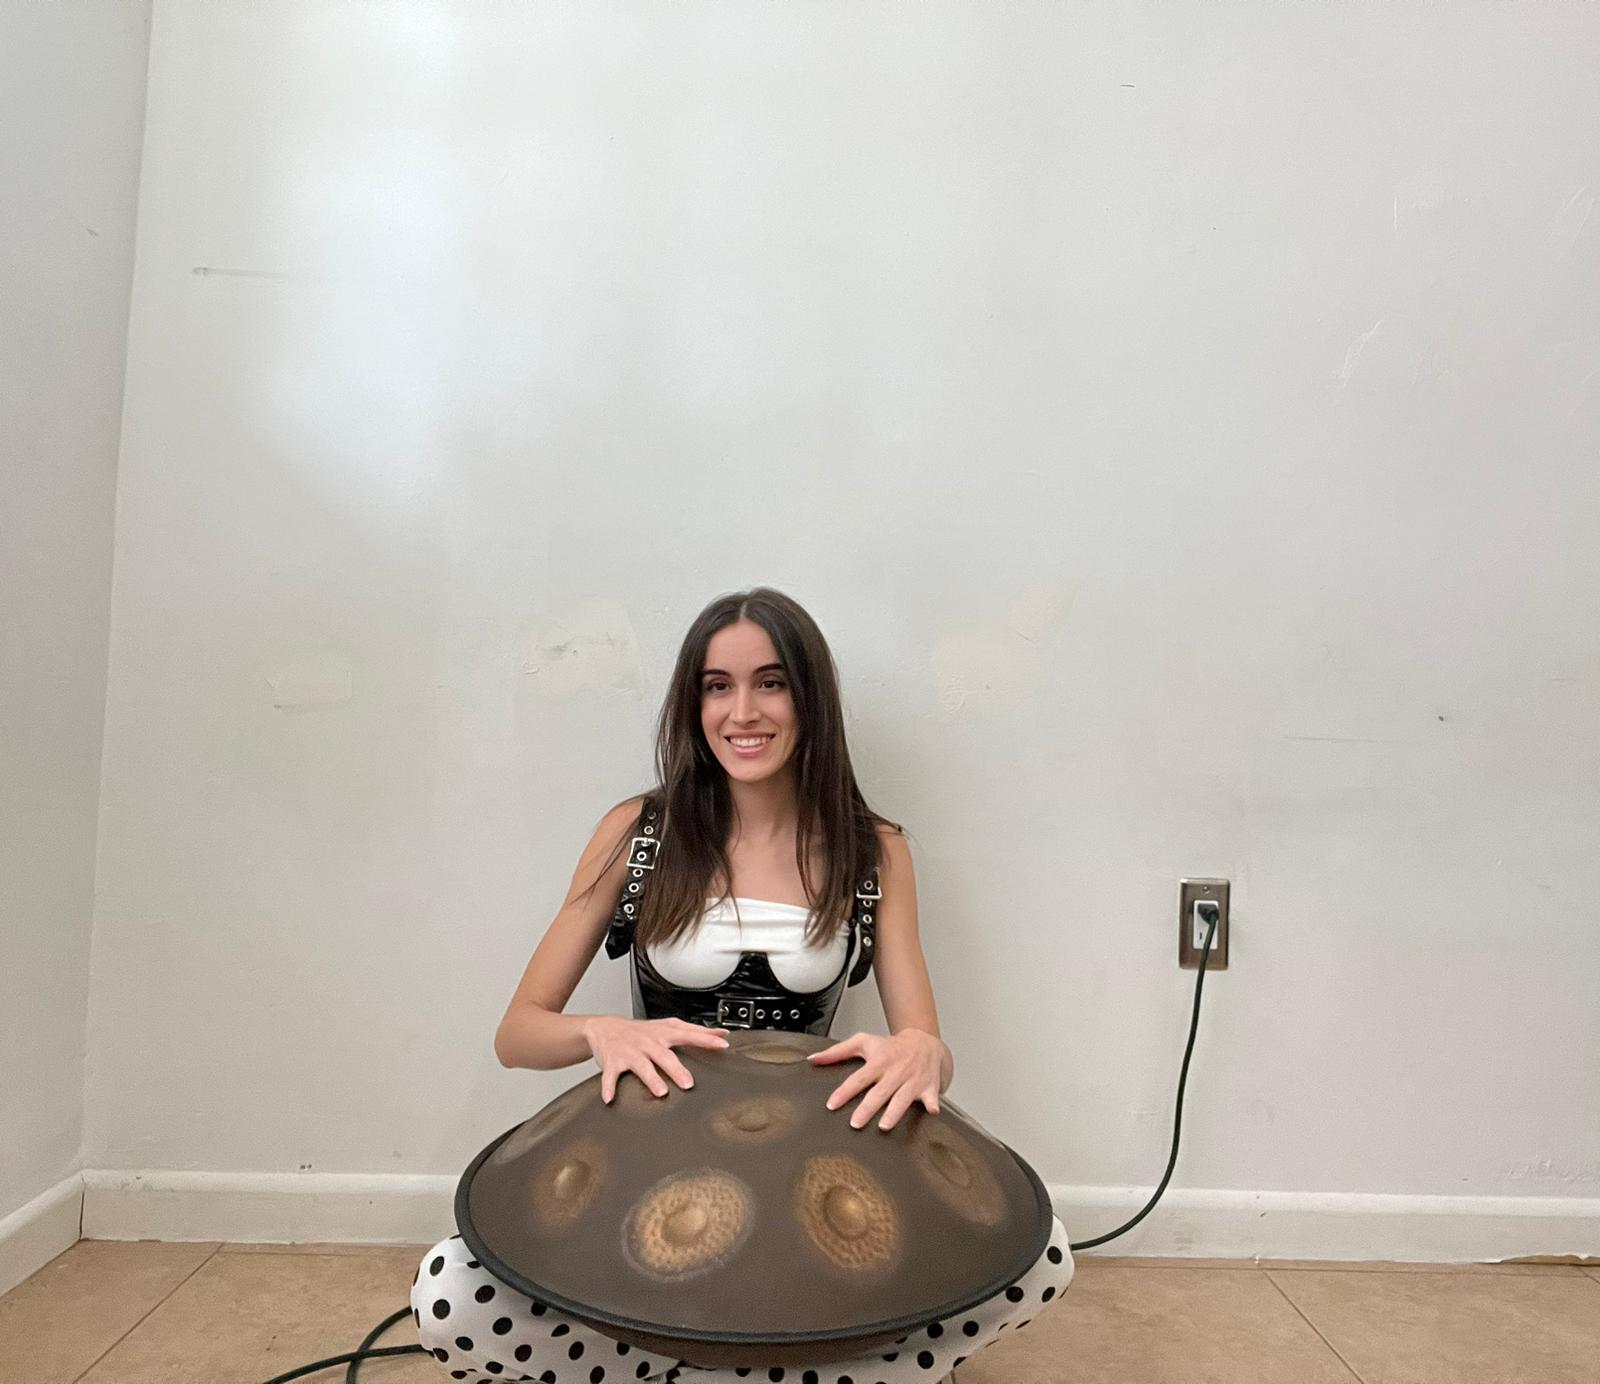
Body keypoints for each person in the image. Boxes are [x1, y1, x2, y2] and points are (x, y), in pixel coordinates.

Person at [412, 588, 1074, 1384]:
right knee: (450, 1294)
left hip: (813, 1160)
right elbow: (516, 1034)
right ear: (693, 705)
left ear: (809, 698)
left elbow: (923, 1041)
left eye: (771, 681)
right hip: (650, 1152)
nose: (742, 711)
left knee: (1045, 1260)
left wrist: (924, 1055)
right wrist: (603, 1032)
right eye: (717, 686)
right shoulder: (639, 832)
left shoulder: (877, 850)